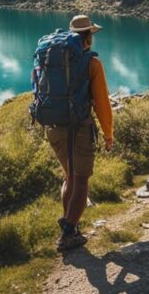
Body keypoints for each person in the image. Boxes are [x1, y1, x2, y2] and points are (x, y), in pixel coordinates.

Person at [36, 15, 114, 252]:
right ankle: (68, 232)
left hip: (52, 125)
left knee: (69, 176)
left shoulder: (50, 56)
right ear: (88, 37)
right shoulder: (92, 63)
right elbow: (101, 103)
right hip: (79, 127)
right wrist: (108, 133)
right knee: (80, 180)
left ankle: (70, 221)